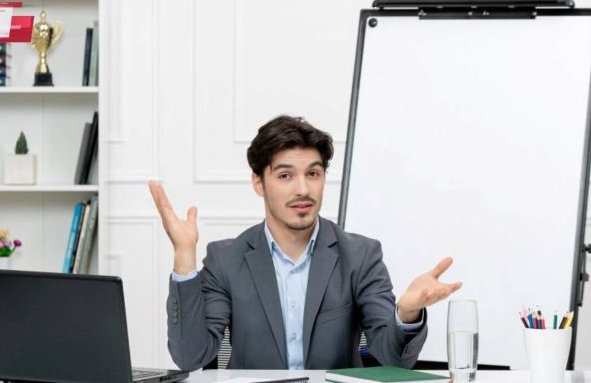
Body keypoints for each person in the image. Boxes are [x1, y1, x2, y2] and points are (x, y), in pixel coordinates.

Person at [148, 115, 462, 371]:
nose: (303, 189)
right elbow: (191, 357)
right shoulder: (225, 259)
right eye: (285, 176)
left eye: (313, 173)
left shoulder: (361, 255)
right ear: (259, 182)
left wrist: (406, 314)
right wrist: (184, 255)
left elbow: (392, 360)